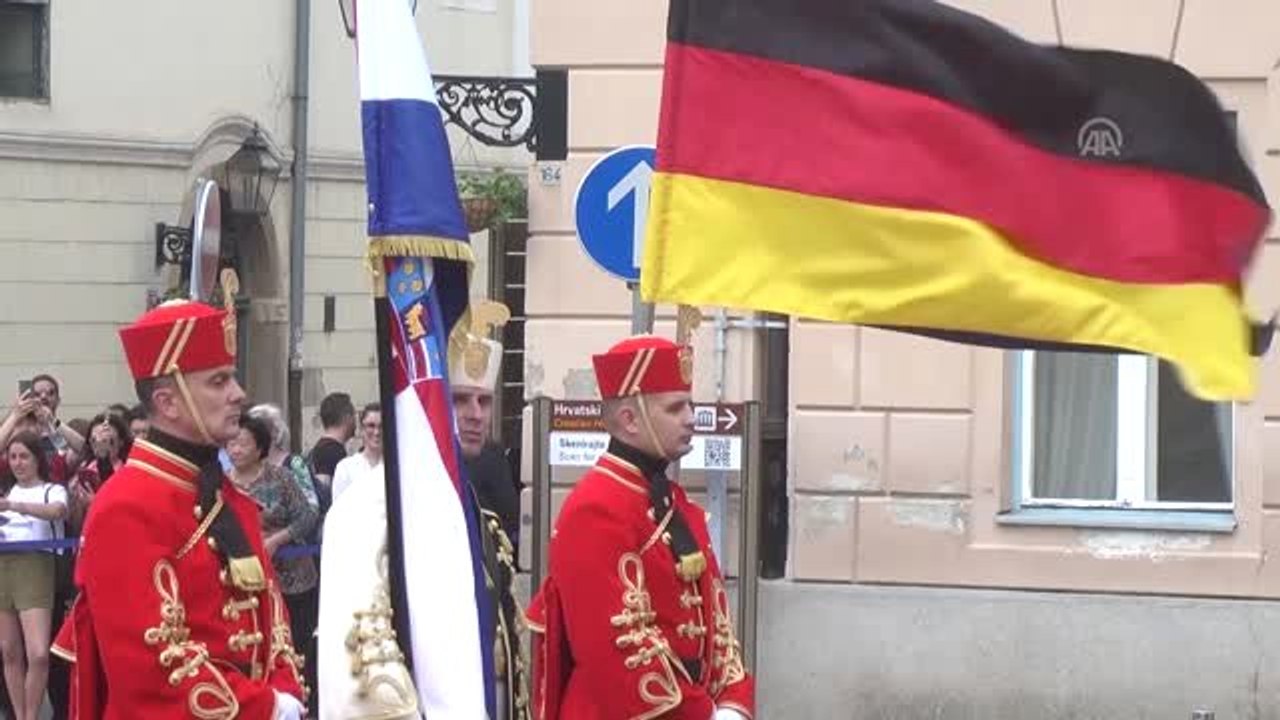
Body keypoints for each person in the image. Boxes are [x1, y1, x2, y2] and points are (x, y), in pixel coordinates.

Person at [51, 278, 308, 719]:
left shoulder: (224, 494)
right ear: (168, 403)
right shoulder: (125, 506)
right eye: (219, 381)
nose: (239, 394)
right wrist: (265, 708)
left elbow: (271, 616)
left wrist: (284, 692)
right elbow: (153, 670)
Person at [526, 333, 755, 719]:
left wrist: (733, 703)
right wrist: (704, 715)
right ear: (630, 420)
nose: (690, 418)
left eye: (690, 405)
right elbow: (617, 648)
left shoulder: (677, 503)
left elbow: (717, 627)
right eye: (675, 408)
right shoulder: (594, 508)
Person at [449, 300, 526, 719]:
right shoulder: (379, 508)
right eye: (461, 400)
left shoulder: (485, 517)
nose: (475, 415)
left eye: (484, 401)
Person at [0, 432, 68, 720]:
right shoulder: (6, 490)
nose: (18, 463)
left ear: (37, 459)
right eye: (12, 456)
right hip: (3, 567)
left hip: (36, 567)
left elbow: (58, 511)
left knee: (38, 653)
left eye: (24, 456)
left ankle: (30, 714)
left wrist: (15, 506)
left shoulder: (51, 489)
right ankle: (20, 715)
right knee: (9, 651)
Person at [330, 404, 382, 503]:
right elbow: (339, 510)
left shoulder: (398, 467)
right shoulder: (345, 468)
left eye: (381, 426)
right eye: (371, 426)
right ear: (362, 429)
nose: (377, 432)